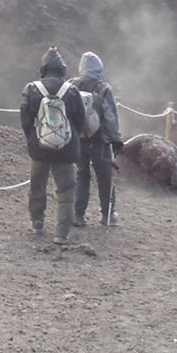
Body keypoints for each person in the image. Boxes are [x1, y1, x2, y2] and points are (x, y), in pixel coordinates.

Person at [20, 47, 88, 244]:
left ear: (43, 68)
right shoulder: (72, 91)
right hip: (66, 150)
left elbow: (25, 119)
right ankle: (61, 234)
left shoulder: (32, 89)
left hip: (39, 148)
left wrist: (33, 138)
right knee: (66, 190)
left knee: (37, 186)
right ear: (62, 69)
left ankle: (37, 222)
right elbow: (80, 120)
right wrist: (71, 138)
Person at [69, 52, 123, 227]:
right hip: (100, 141)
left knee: (81, 176)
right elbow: (110, 116)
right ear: (99, 68)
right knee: (104, 177)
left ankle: (78, 215)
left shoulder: (71, 85)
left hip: (78, 140)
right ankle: (107, 215)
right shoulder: (104, 88)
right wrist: (116, 139)